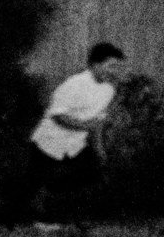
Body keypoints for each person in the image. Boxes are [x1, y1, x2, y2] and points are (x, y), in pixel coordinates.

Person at [17, 41, 128, 227]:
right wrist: (85, 126)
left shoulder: (109, 90)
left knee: (91, 172)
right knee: (30, 184)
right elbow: (58, 116)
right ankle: (10, 221)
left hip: (74, 144)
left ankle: (55, 207)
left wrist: (99, 150)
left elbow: (97, 124)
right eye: (111, 66)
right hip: (48, 142)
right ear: (95, 65)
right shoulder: (73, 84)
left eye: (118, 67)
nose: (115, 71)